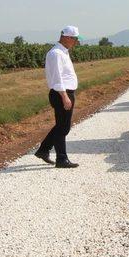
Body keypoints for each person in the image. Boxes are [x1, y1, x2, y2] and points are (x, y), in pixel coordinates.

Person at [34, 26, 83, 168]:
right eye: (75, 39)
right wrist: (64, 96)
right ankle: (61, 159)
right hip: (61, 93)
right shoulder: (56, 53)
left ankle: (43, 150)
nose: (76, 42)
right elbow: (57, 78)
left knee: (63, 126)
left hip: (66, 92)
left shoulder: (63, 52)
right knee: (63, 127)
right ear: (67, 38)